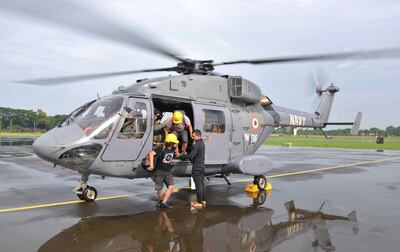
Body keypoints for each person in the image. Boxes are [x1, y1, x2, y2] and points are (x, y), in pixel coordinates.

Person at [147, 133, 180, 209]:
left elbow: (176, 155)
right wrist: (151, 165)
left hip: (168, 172)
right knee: (160, 190)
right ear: (170, 143)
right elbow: (151, 153)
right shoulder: (162, 147)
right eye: (174, 142)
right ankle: (161, 201)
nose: (176, 144)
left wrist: (176, 149)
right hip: (159, 171)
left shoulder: (173, 148)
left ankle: (164, 202)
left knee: (171, 187)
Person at [181, 129, 206, 209]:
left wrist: (182, 156)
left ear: (198, 135)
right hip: (202, 166)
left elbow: (191, 156)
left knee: (198, 185)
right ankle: (202, 200)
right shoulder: (202, 143)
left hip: (197, 167)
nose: (192, 137)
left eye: (193, 136)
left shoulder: (197, 144)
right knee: (201, 184)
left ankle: (199, 203)